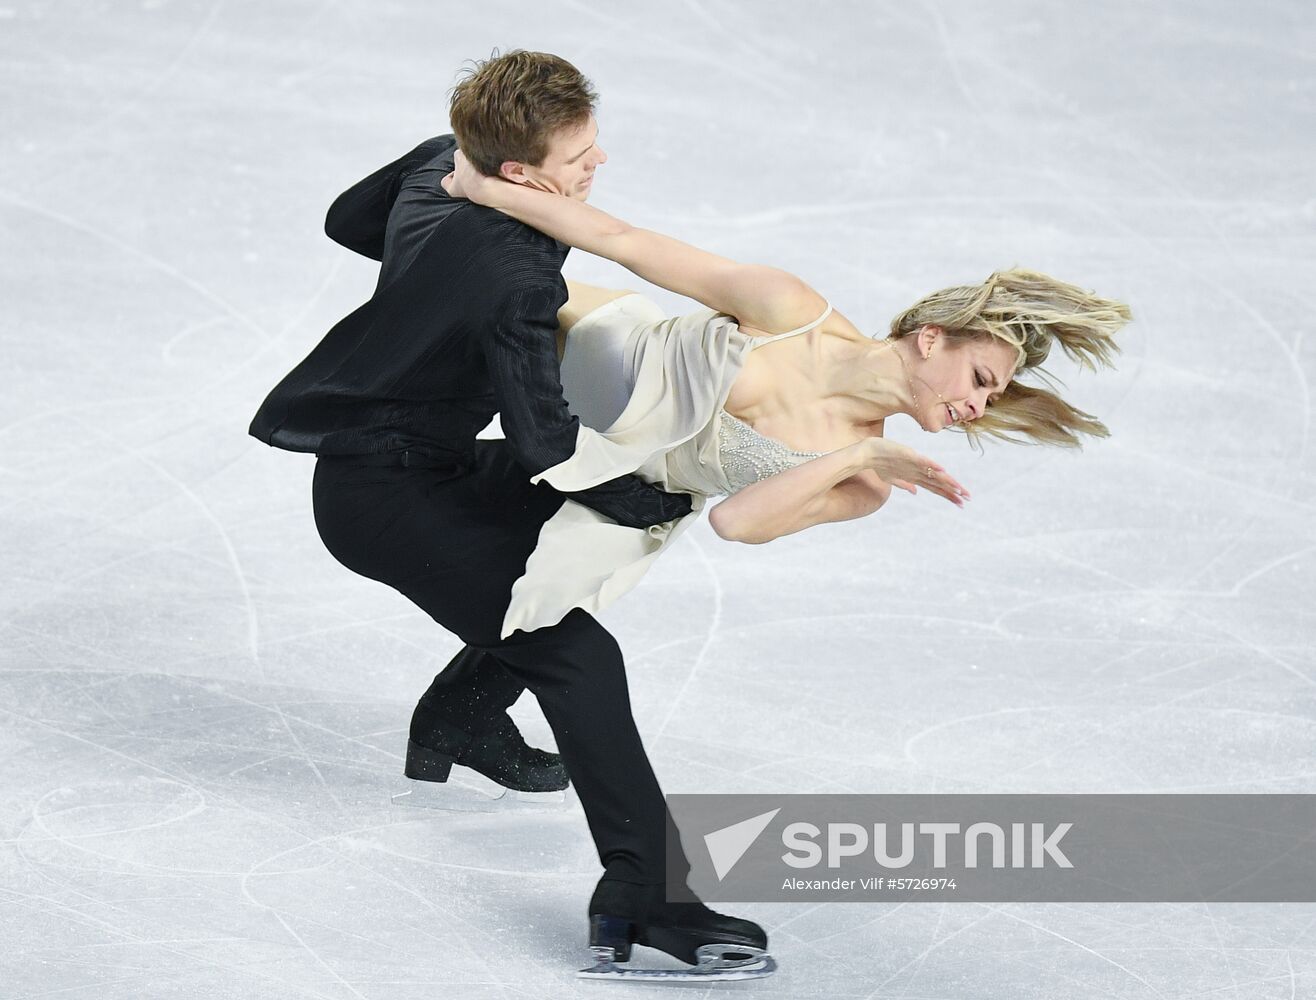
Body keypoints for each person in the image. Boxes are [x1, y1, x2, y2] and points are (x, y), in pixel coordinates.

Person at [247, 51, 771, 980]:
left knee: (580, 546)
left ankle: (461, 713)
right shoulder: (516, 275)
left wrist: (429, 282)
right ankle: (643, 893)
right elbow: (547, 447)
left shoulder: (436, 164)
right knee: (577, 651)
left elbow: (345, 218)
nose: (596, 162)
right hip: (384, 498)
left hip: (425, 459)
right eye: (577, 156)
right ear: (519, 176)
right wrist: (643, 494)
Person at [440, 152, 1131, 643]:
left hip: (609, 468)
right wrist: (483, 187)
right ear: (931, 338)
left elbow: (736, 524)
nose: (979, 407)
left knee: (537, 610)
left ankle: (454, 719)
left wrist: (858, 451)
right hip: (595, 348)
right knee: (465, 273)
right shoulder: (791, 309)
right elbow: (626, 242)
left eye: (990, 398)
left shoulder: (865, 480)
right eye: (981, 379)